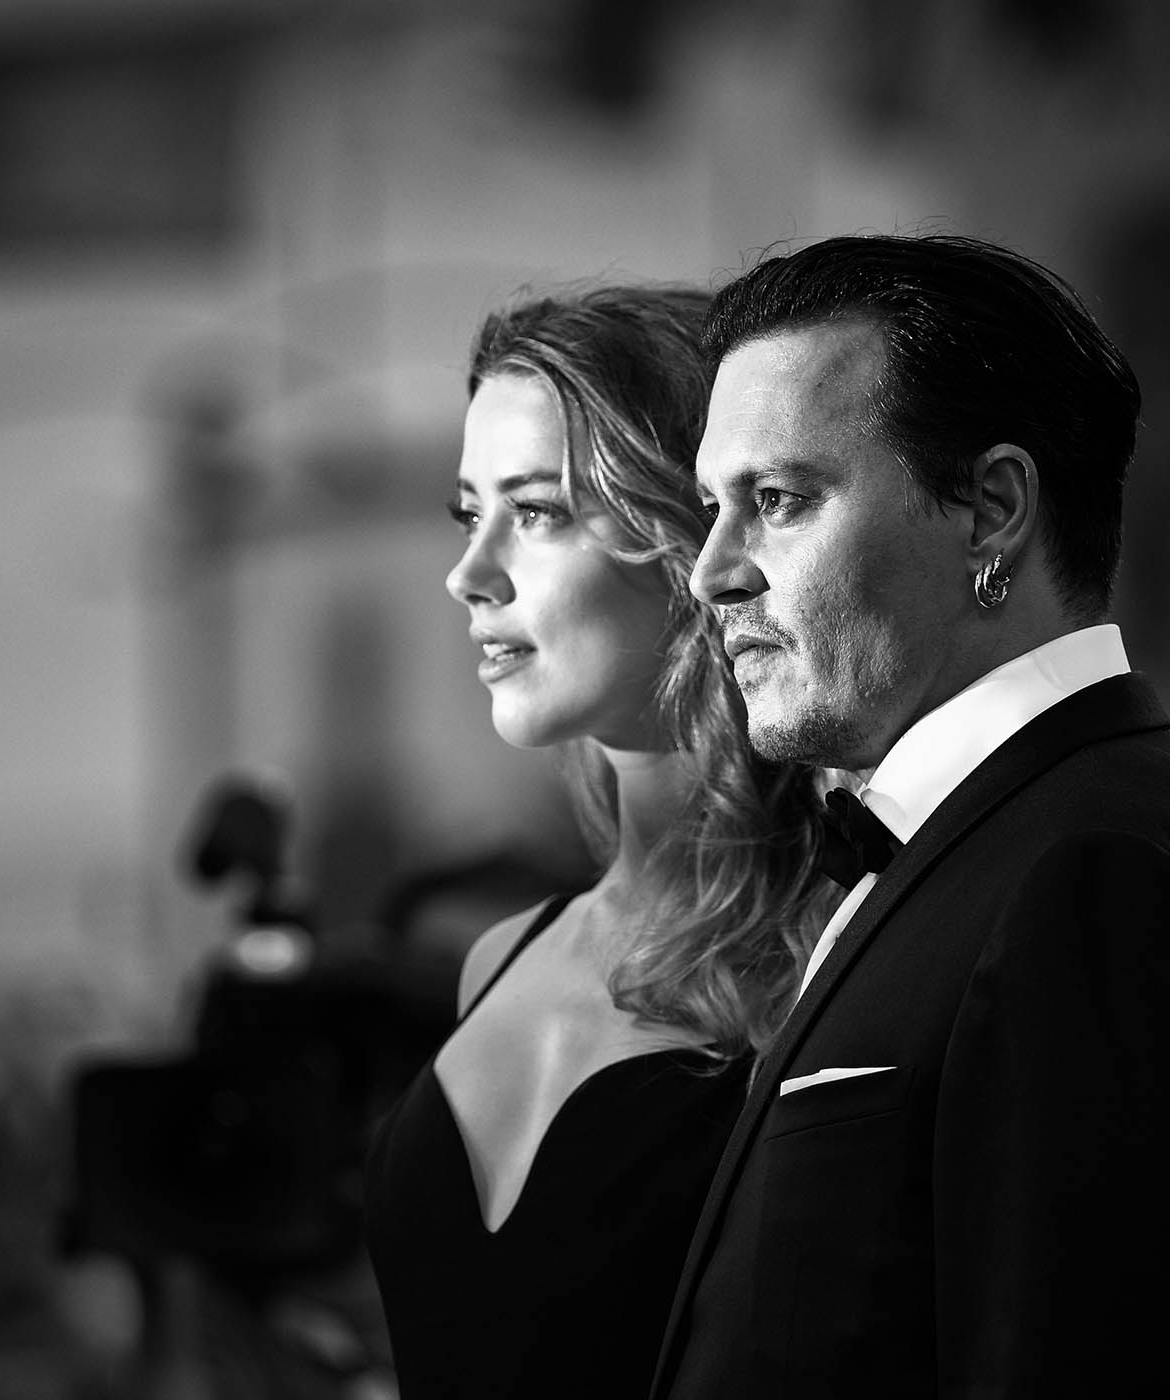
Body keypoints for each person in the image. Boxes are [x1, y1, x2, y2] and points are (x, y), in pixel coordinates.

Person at [649, 234, 1170, 1397]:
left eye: (777, 501)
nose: (712, 571)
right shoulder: (998, 845)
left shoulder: (1102, 877)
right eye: (712, 508)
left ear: (991, 509)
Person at [362, 285, 837, 1399]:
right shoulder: (498, 959)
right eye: (464, 511)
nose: (468, 573)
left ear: (686, 535)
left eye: (534, 511)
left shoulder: (835, 944)